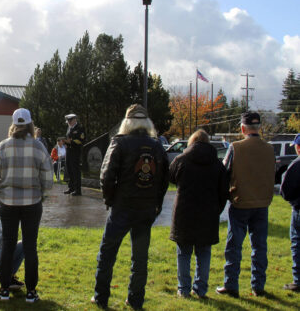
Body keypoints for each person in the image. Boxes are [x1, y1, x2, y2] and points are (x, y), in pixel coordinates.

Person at [92, 104, 168, 310]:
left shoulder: (120, 142)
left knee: (107, 254)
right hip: (145, 209)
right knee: (140, 258)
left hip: (122, 208)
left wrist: (110, 200)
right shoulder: (157, 145)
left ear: (127, 122)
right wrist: (156, 206)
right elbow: (163, 181)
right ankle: (135, 300)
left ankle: (100, 297)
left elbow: (106, 176)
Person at [0, 108, 53, 303]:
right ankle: (31, 292)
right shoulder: (38, 147)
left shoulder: (2, 146)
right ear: (31, 124)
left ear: (14, 124)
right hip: (32, 203)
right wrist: (42, 195)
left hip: (7, 202)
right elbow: (48, 178)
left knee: (8, 245)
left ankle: (4, 289)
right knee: (30, 246)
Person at [216, 111, 275, 298]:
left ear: (242, 128)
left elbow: (224, 172)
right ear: (260, 128)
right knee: (260, 247)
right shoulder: (269, 149)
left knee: (234, 246)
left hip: (240, 202)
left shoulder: (235, 147)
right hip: (262, 203)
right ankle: (258, 286)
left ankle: (231, 284)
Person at [169, 129, 229, 298]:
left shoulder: (181, 160)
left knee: (184, 253)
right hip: (208, 214)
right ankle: (200, 289)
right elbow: (224, 191)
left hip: (184, 213)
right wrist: (217, 209)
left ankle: (183, 288)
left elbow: (171, 177)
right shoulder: (217, 164)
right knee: (203, 253)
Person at [278, 133, 300, 292]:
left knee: (297, 243)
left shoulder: (296, 165)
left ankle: (298, 280)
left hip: (299, 209)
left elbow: (285, 190)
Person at [63, 113, 85, 196]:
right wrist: (65, 142)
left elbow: (81, 140)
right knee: (69, 170)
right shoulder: (69, 128)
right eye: (68, 121)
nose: (68, 122)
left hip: (75, 151)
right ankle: (71, 188)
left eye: (70, 120)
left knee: (75, 171)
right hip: (69, 151)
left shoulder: (80, 128)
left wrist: (71, 142)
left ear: (75, 120)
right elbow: (68, 138)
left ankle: (78, 190)